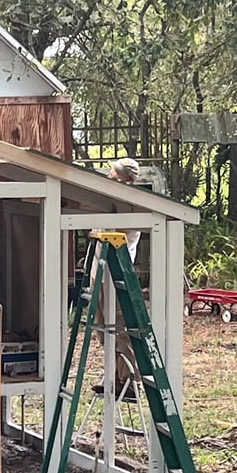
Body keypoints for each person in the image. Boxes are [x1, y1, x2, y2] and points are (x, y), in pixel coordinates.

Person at [94, 158, 142, 394]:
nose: (108, 176)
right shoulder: (109, 201)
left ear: (124, 179)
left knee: (120, 329)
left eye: (113, 173)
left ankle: (130, 380)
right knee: (102, 329)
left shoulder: (130, 204)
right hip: (101, 274)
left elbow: (116, 231)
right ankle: (112, 375)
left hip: (116, 275)